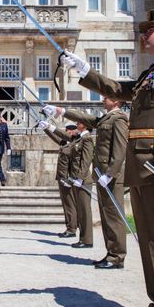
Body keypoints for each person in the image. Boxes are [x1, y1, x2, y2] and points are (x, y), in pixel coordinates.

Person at [61, 9, 154, 307]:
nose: (143, 34)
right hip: (143, 169)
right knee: (149, 241)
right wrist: (85, 70)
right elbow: (120, 89)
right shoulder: (153, 71)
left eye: (149, 30)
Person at [45, 99, 129, 269]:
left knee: (112, 216)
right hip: (101, 175)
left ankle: (116, 256)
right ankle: (111, 254)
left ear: (117, 101)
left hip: (108, 176)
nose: (103, 99)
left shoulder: (119, 119)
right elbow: (70, 131)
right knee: (106, 217)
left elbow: (119, 149)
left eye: (107, 96)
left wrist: (110, 173)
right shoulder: (105, 119)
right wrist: (60, 111)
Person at [38, 121, 78, 238]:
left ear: (70, 132)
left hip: (67, 178)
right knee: (66, 204)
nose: (64, 133)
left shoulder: (73, 142)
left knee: (69, 204)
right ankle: (70, 227)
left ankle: (72, 229)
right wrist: (45, 128)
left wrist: (70, 179)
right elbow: (56, 137)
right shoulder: (65, 142)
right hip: (61, 178)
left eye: (66, 131)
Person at [66, 117, 95, 249]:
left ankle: (87, 240)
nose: (77, 123)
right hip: (77, 179)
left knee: (84, 210)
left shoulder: (87, 138)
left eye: (80, 122)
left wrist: (80, 177)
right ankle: (83, 238)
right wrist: (50, 128)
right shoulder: (79, 138)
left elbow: (86, 160)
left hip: (83, 180)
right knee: (80, 210)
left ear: (86, 126)